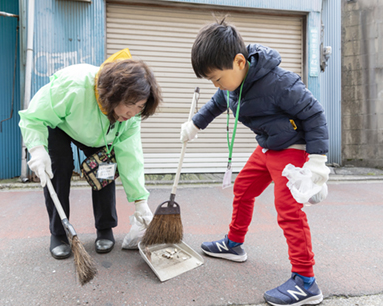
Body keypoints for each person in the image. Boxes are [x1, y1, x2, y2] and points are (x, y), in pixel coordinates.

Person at [180, 19, 330, 306]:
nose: (216, 84)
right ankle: (234, 244)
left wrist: (317, 161)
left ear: (239, 61)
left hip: (292, 148)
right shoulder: (233, 84)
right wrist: (194, 126)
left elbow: (315, 114)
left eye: (217, 78)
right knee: (244, 188)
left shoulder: (280, 83)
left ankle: (306, 281)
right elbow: (217, 102)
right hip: (268, 146)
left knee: (288, 211)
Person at [19, 49, 161, 259]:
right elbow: (34, 116)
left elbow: (131, 156)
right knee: (60, 168)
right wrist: (37, 149)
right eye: (130, 104)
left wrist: (140, 201)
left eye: (139, 107)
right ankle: (58, 233)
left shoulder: (130, 118)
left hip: (100, 135)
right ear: (114, 93)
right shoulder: (74, 86)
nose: (133, 113)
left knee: (105, 172)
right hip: (61, 125)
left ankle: (105, 228)